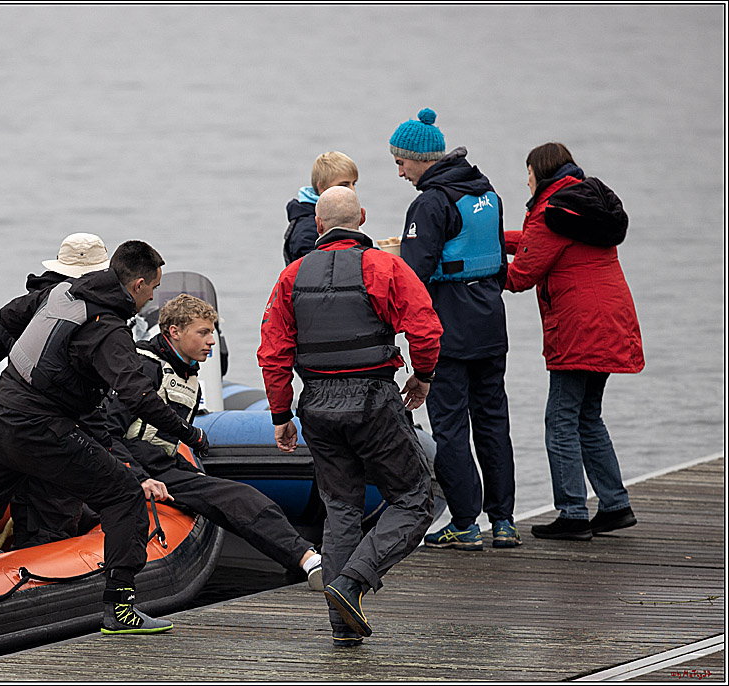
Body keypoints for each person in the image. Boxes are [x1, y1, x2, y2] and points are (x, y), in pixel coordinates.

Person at [0, 240, 210, 637]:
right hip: (39, 428)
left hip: (1, 416)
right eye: (153, 288)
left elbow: (8, 318)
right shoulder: (107, 328)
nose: (152, 298)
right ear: (138, 284)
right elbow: (138, 395)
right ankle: (120, 608)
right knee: (124, 495)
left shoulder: (62, 292)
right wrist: (189, 433)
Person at [258, 186, 442, 648]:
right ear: (362, 217)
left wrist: (280, 413)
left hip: (317, 404)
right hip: (374, 399)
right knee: (415, 499)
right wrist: (422, 376)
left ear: (318, 225)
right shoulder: (385, 266)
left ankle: (342, 626)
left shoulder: (291, 276)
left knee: (340, 509)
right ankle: (353, 582)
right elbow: (425, 330)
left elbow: (273, 352)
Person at [99, 293, 323, 589]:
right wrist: (138, 477)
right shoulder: (144, 368)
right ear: (174, 332)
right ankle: (308, 559)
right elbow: (107, 433)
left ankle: (309, 560)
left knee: (243, 498)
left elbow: (164, 443)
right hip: (131, 471)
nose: (211, 341)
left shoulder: (188, 376)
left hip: (164, 469)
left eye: (212, 333)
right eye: (203, 333)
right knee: (238, 498)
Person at [389, 107, 520, 551]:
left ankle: (465, 522)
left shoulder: (430, 203)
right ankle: (504, 521)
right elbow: (497, 262)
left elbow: (413, 275)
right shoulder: (487, 192)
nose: (400, 171)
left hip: (449, 329)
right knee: (493, 422)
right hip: (491, 324)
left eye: (401, 162)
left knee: (449, 427)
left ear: (421, 158)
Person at [505, 142, 644, 540]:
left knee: (561, 419)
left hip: (580, 326)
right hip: (610, 320)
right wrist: (492, 238)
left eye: (528, 172)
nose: (526, 180)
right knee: (587, 416)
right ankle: (615, 505)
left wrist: (470, 268)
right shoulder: (580, 203)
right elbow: (534, 241)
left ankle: (572, 513)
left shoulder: (553, 211)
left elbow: (520, 275)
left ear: (541, 171)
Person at [0, 232, 111, 549]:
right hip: (60, 437)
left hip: (9, 429)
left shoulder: (22, 308)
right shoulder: (90, 316)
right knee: (53, 523)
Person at [282, 151, 359, 265]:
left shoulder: (335, 216)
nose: (352, 190)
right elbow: (313, 271)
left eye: (354, 184)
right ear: (322, 187)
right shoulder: (307, 229)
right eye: (344, 185)